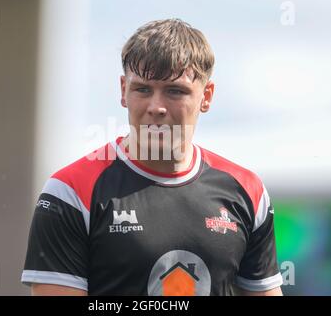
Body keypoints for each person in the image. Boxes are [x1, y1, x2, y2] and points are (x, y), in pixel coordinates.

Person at [21, 18, 283, 296]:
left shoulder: (247, 190)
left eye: (175, 91)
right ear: (124, 91)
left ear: (206, 96)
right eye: (143, 89)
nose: (156, 107)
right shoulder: (70, 192)